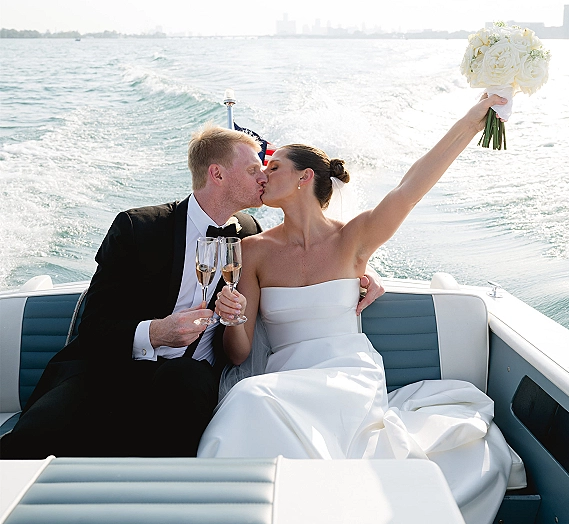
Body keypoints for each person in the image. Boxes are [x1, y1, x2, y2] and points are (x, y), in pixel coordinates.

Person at [197, 94, 514, 524]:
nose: (263, 175)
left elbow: (412, 187)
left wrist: (474, 117)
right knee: (250, 397)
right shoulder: (253, 251)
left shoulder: (354, 239)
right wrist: (231, 317)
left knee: (258, 401)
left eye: (274, 167)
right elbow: (240, 353)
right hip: (283, 376)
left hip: (348, 373)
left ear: (305, 178)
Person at [0, 125, 381, 460]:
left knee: (184, 389)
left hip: (190, 377)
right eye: (253, 169)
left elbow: (310, 253)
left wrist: (362, 273)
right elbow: (96, 324)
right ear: (217, 174)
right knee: (32, 442)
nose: (263, 176)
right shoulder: (138, 228)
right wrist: (156, 332)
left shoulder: (249, 236)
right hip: (108, 369)